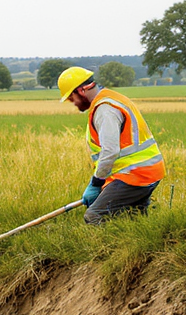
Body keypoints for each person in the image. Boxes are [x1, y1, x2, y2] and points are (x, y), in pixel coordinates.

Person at [57, 67, 166, 224]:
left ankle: (103, 248)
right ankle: (137, 245)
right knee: (134, 218)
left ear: (82, 90)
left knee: (94, 216)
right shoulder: (111, 98)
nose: (72, 103)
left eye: (70, 97)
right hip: (149, 171)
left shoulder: (105, 110)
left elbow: (110, 151)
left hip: (134, 176)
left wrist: (96, 184)